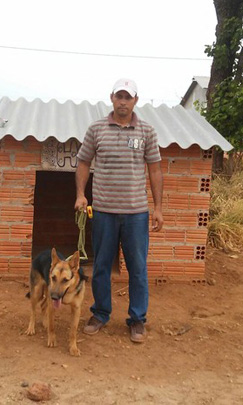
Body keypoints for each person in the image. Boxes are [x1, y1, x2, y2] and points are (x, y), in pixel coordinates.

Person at [74, 78, 164, 344]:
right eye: (119, 96)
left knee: (137, 268)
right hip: (103, 211)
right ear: (111, 97)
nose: (123, 101)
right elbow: (83, 162)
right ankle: (100, 314)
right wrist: (80, 195)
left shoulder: (147, 131)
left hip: (136, 213)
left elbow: (155, 169)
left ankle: (137, 319)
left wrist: (158, 208)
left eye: (128, 97)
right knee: (101, 265)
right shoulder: (96, 129)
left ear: (136, 100)